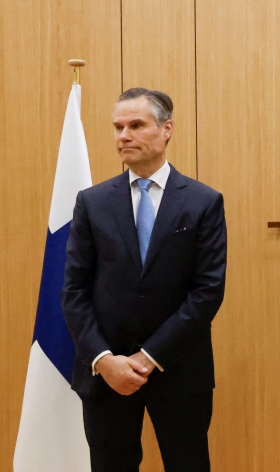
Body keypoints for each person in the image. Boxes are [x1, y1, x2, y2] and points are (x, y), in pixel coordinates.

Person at [62, 88, 227, 472]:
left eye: (136, 125)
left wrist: (148, 357)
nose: (124, 135)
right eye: (118, 127)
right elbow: (73, 291)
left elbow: (207, 292)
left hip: (180, 369)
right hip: (107, 372)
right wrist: (105, 361)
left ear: (166, 129)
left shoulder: (203, 202)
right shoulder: (92, 202)